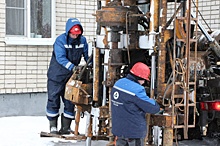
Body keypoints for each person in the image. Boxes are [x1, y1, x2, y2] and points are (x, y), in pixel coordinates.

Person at [46, 18, 89, 134]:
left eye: (77, 34)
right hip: (56, 76)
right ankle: (53, 127)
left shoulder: (83, 41)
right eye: (73, 34)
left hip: (71, 78)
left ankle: (66, 127)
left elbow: (87, 56)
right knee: (53, 99)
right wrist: (73, 67)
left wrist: (90, 65)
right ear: (68, 32)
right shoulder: (60, 41)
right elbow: (60, 58)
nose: (75, 36)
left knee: (70, 101)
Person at [111, 62, 160, 146]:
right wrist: (156, 103)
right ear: (139, 77)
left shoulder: (118, 83)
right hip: (133, 132)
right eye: (144, 80)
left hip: (119, 131)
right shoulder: (136, 89)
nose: (144, 82)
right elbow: (152, 108)